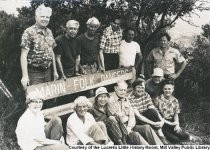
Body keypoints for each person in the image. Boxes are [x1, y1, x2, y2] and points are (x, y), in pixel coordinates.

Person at [107, 80, 163, 145]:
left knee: (146, 127)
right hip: (121, 130)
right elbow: (118, 119)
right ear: (115, 89)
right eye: (121, 90)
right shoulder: (111, 101)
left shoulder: (126, 99)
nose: (123, 92)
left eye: (124, 90)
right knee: (136, 135)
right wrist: (127, 124)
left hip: (130, 126)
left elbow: (132, 116)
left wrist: (129, 126)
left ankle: (160, 146)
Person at [20, 4, 58, 90]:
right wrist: (25, 76)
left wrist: (55, 71)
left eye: (47, 17)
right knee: (35, 100)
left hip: (48, 71)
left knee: (48, 99)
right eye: (42, 16)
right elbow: (23, 55)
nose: (45, 19)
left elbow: (52, 51)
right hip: (34, 73)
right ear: (36, 17)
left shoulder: (49, 32)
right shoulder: (29, 32)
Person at [128, 78, 168, 144]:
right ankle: (160, 136)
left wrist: (162, 120)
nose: (140, 90)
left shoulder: (145, 94)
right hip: (137, 120)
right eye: (138, 87)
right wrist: (154, 123)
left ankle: (161, 135)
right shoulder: (130, 98)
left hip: (147, 116)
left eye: (142, 87)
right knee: (148, 120)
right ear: (134, 88)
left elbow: (153, 109)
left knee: (152, 111)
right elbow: (138, 116)